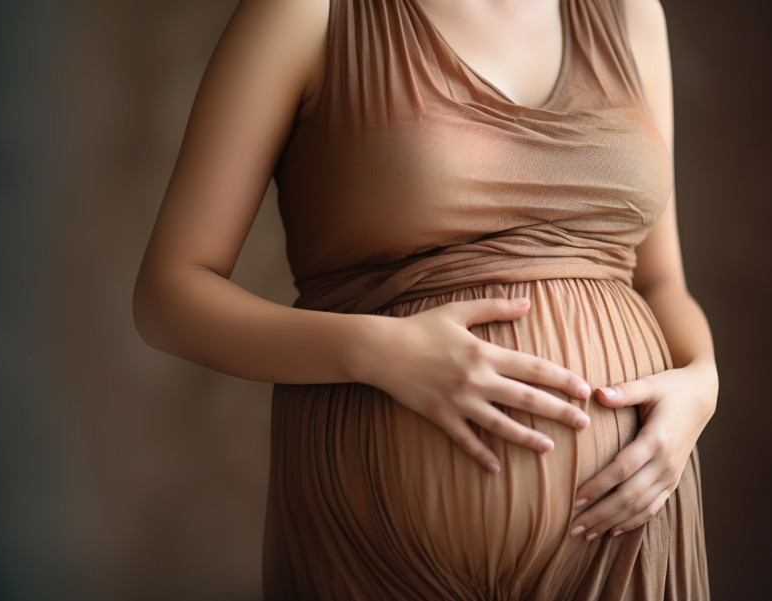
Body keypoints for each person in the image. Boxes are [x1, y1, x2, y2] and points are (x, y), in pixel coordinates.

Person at [132, 0, 717, 598]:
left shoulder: (628, 13)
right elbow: (168, 296)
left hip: (630, 535)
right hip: (380, 543)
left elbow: (660, 283)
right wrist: (375, 350)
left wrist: (702, 382)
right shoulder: (307, 11)